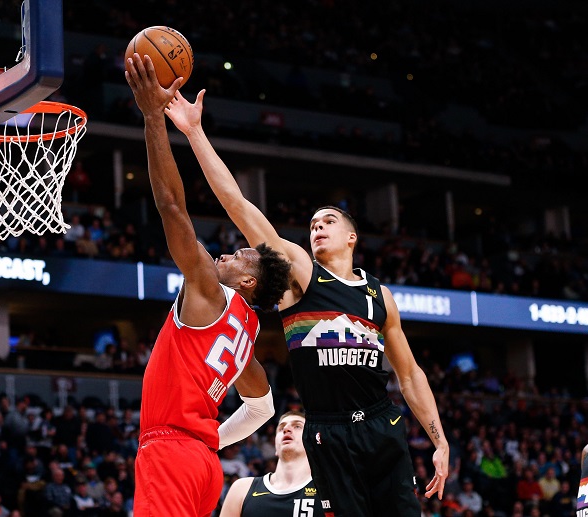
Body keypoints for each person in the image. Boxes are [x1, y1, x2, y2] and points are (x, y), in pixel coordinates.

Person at [164, 88, 449, 517]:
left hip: (380, 423)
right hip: (327, 432)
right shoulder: (301, 274)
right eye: (314, 223)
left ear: (351, 237)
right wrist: (195, 132)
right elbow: (239, 206)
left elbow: (409, 375)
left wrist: (439, 439)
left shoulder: (380, 296)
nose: (318, 227)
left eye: (329, 222)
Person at [124, 53, 291, 517]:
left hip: (173, 452)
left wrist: (153, 117)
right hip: (203, 464)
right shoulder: (247, 335)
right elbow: (263, 407)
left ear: (250, 280)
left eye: (238, 255)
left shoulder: (210, 294)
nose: (224, 254)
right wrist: (213, 438)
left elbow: (171, 207)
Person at [220, 411, 324, 517]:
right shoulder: (241, 489)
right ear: (275, 447)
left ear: (312, 442)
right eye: (281, 428)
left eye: (297, 426)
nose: (286, 429)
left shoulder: (328, 490)